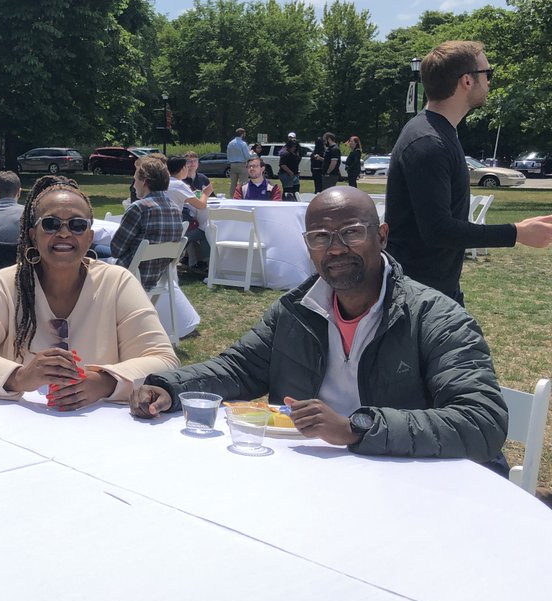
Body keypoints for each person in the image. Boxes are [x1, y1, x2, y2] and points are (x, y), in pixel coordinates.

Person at [129, 188, 509, 465]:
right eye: (320, 237)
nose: (336, 248)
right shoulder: (296, 310)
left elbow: (482, 421)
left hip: (414, 484)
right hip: (314, 478)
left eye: (352, 232)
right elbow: (238, 368)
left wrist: (358, 427)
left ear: (382, 236)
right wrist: (167, 386)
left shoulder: (435, 317)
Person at [0, 176, 177, 406]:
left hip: (100, 432)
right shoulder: (5, 284)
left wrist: (102, 382)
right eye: (51, 224)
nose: (64, 233)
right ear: (33, 235)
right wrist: (19, 377)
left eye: (77, 225)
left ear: (89, 237)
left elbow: (163, 360)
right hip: (18, 427)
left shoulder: (117, 282)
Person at [386, 40, 552, 302]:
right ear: (467, 81)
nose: (489, 82)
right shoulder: (428, 141)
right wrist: (517, 232)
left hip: (434, 291)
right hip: (418, 298)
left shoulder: (438, 132)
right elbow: (437, 230)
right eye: (488, 74)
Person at [104, 157, 183, 292]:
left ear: (144, 182)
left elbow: (116, 250)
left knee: (92, 252)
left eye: (135, 180)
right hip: (158, 277)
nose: (134, 185)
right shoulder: (175, 209)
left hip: (131, 276)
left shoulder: (139, 208)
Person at [168, 156, 213, 271]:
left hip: (165, 226)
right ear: (183, 169)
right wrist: (205, 193)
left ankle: (197, 261)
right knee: (205, 230)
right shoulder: (179, 185)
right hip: (175, 230)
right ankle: (208, 263)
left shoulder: (165, 182)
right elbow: (201, 205)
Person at [225, 128, 251, 196]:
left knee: (233, 183)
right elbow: (247, 156)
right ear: (242, 134)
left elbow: (228, 154)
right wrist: (251, 154)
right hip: (242, 164)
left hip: (232, 164)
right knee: (243, 182)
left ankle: (232, 197)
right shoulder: (243, 143)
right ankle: (243, 196)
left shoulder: (230, 143)